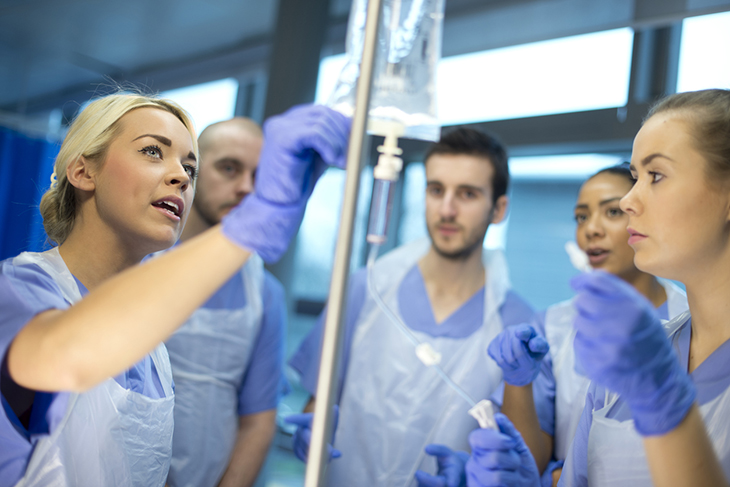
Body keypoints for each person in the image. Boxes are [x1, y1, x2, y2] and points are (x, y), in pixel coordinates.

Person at [0, 93, 350, 487]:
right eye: (153, 151)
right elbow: (61, 355)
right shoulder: (18, 287)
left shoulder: (153, 353)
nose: (182, 177)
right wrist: (250, 225)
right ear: (83, 172)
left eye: (190, 167)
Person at [466, 89, 730, 487]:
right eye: (636, 177)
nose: (628, 201)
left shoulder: (643, 365)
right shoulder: (629, 362)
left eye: (655, 176)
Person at [287, 127, 535, 486]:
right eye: (436, 190)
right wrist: (312, 436)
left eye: (466, 194)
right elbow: (318, 403)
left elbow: (521, 454)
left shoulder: (515, 323)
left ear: (498, 209)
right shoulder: (366, 288)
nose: (446, 209)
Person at [486, 163, 689, 485]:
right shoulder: (551, 328)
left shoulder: (693, 320)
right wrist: (518, 383)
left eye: (612, 212)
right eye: (581, 217)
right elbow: (529, 464)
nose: (591, 229)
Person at [164, 118, 287, 487]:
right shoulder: (137, 264)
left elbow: (257, 422)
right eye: (229, 168)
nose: (246, 187)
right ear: (192, 171)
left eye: (259, 176)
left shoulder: (263, 291)